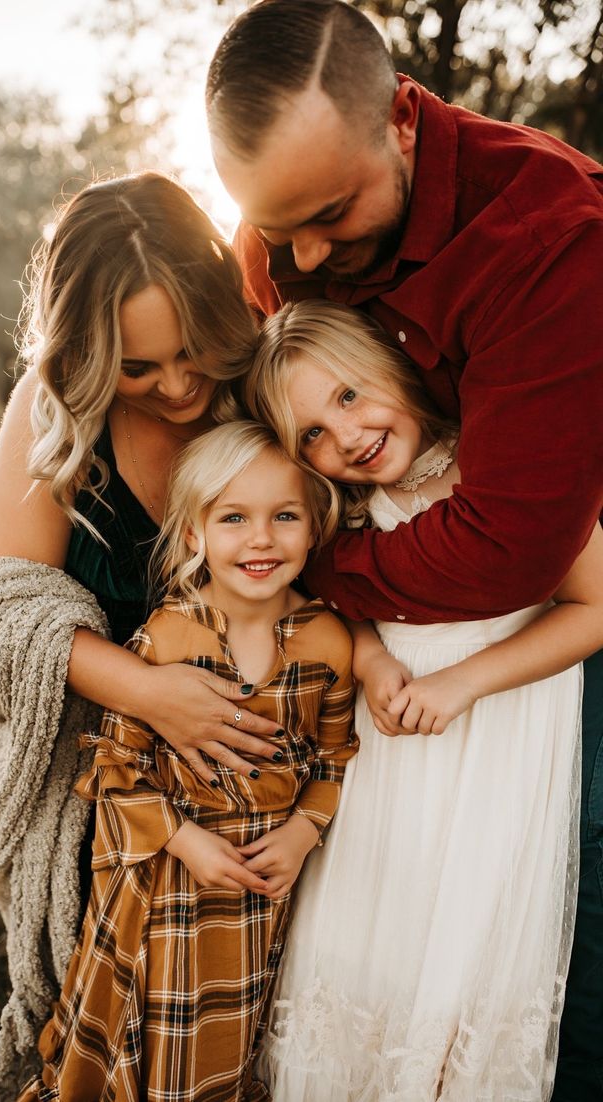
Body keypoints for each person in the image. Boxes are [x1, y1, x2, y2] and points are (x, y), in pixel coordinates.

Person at [205, 3, 603, 1097]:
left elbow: (517, 543)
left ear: (404, 122)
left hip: (548, 592)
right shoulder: (281, 239)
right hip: (399, 674)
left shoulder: (543, 230)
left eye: (329, 214)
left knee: (556, 876)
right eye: (276, 229)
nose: (304, 257)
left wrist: (310, 571)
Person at [0, 173, 289, 1079]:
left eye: (193, 350)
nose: (178, 384)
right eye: (139, 369)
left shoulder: (261, 376)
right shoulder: (51, 409)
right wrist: (153, 695)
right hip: (109, 736)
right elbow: (12, 603)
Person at [244, 298, 603, 1101]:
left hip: (501, 744)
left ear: (392, 362)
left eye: (347, 396)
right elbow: (346, 607)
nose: (347, 437)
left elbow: (597, 607)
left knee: (469, 944)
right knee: (373, 932)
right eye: (312, 435)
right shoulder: (348, 507)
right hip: (392, 762)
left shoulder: (504, 468)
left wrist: (465, 682)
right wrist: (370, 659)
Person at [16, 420, 357, 1101]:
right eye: (234, 518)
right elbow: (113, 765)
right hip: (167, 879)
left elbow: (334, 756)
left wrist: (302, 830)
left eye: (284, 516)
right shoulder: (171, 636)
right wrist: (184, 838)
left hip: (258, 889)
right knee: (151, 1018)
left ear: (314, 527)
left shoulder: (327, 641)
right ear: (195, 534)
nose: (261, 539)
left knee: (229, 1025)